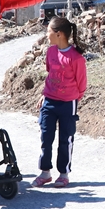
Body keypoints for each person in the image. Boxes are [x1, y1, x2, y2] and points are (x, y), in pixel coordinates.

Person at [33, 15, 86, 189]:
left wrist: (71, 99)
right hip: (49, 102)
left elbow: (81, 84)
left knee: (66, 139)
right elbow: (51, 74)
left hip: (67, 104)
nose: (46, 34)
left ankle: (64, 174)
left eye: (48, 31)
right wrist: (45, 94)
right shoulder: (50, 52)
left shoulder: (76, 57)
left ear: (59, 34)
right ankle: (45, 173)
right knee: (45, 137)